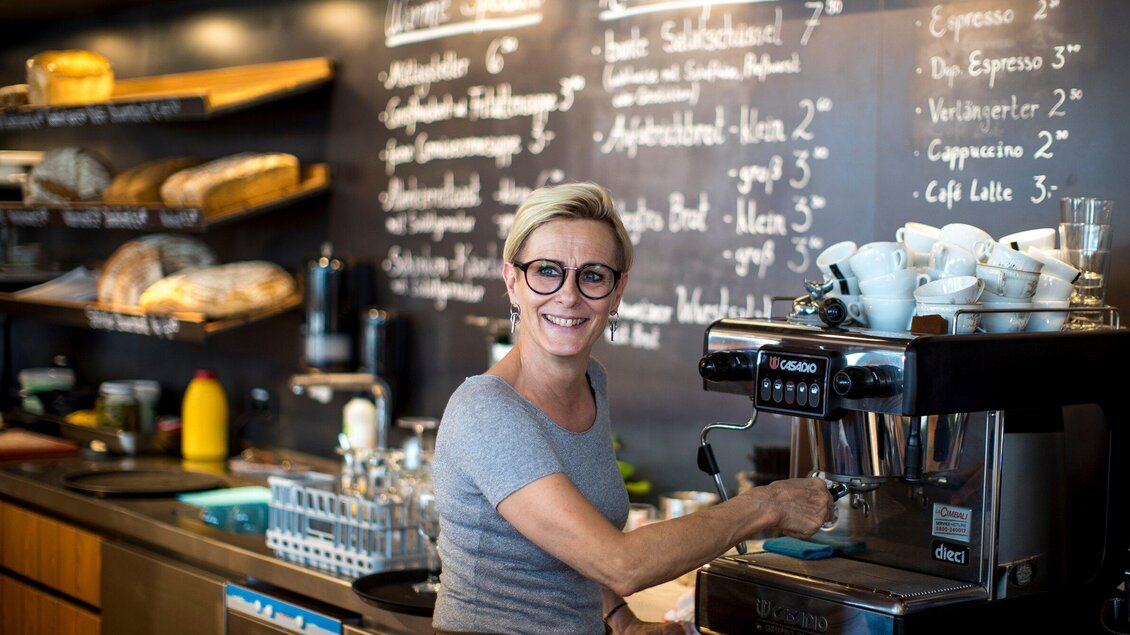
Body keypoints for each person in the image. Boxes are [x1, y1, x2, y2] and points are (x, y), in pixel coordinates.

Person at [432, 182, 833, 635]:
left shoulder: (591, 382)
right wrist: (765, 505)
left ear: (617, 291)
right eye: (546, 271)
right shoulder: (487, 411)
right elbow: (618, 564)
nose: (568, 295)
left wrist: (622, 622)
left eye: (593, 275)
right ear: (512, 281)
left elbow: (573, 545)